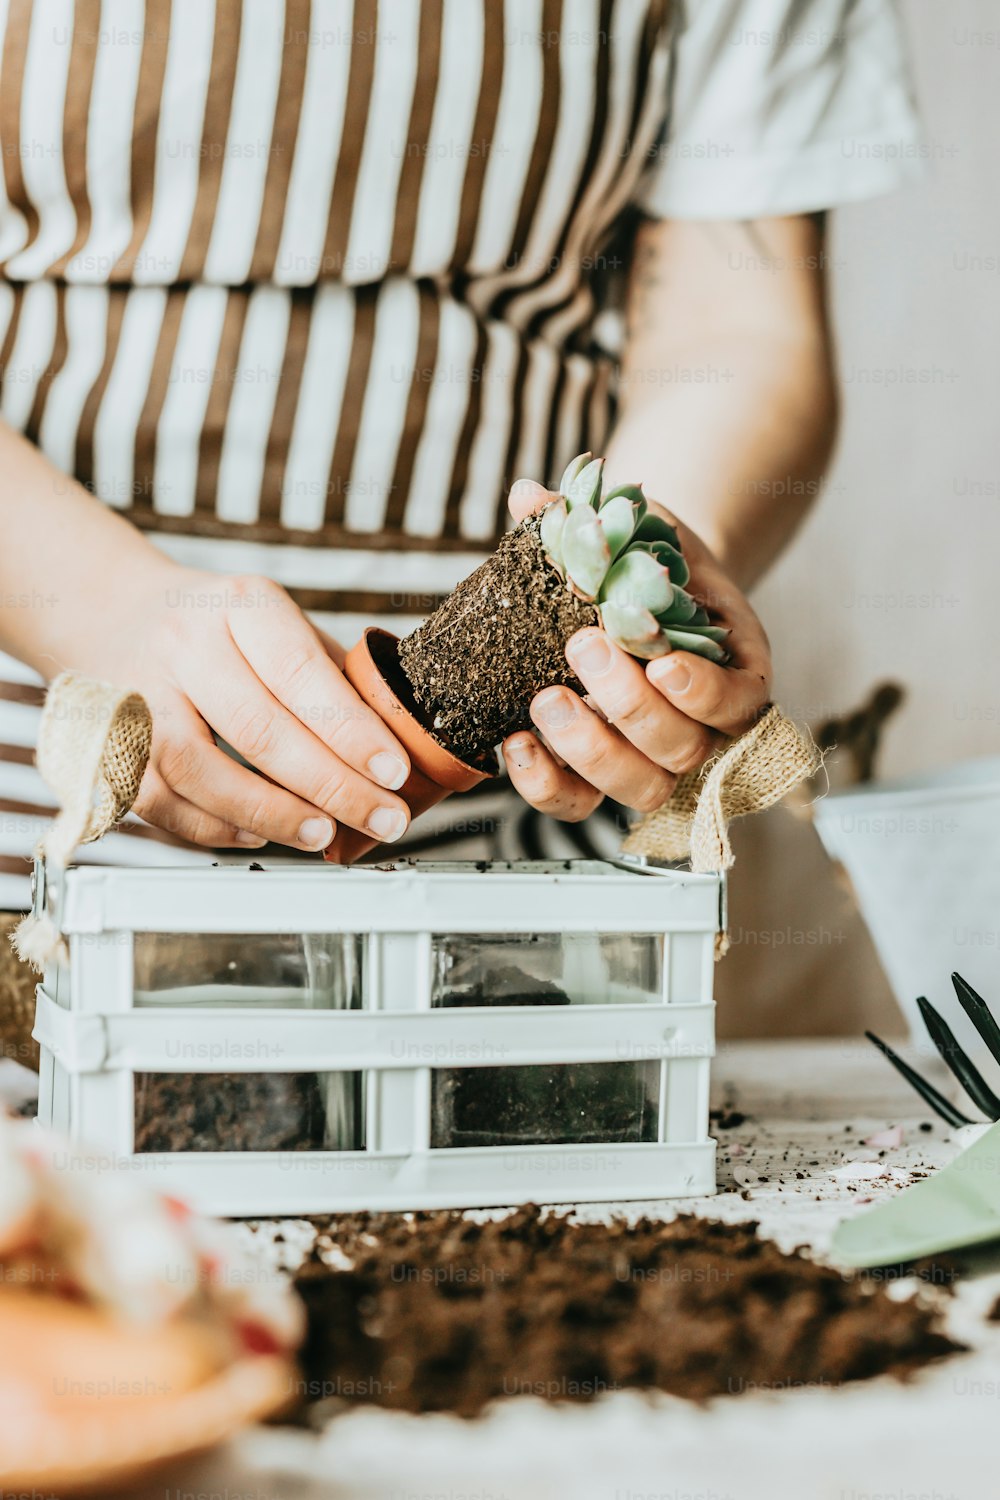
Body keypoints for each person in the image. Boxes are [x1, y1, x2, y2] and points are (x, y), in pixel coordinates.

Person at [0, 0, 920, 909]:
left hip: (522, 813)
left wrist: (638, 608)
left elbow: (736, 314)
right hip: (42, 756)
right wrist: (95, 605)